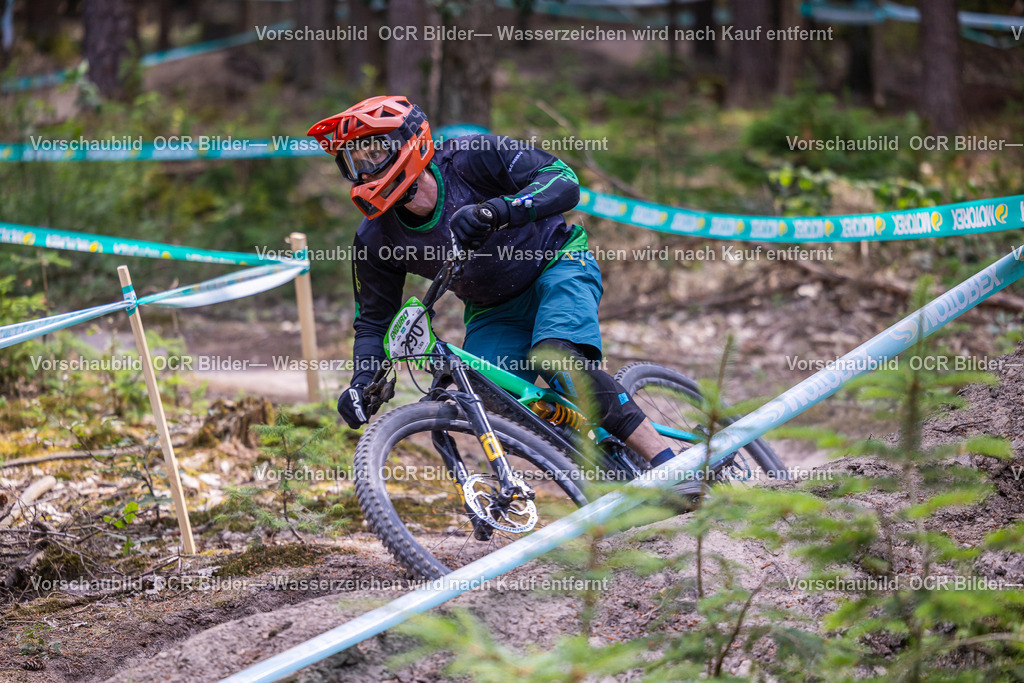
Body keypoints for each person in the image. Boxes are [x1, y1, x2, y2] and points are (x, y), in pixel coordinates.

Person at [307, 95, 678, 468]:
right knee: (491, 403)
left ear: (408, 141)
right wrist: (362, 381)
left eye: (374, 153)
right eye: (353, 162)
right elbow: (373, 321)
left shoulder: (473, 156)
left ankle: (673, 464)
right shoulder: (375, 238)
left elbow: (563, 181)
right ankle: (607, 465)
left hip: (557, 263)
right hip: (493, 308)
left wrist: (496, 211)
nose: (366, 171)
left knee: (557, 360)